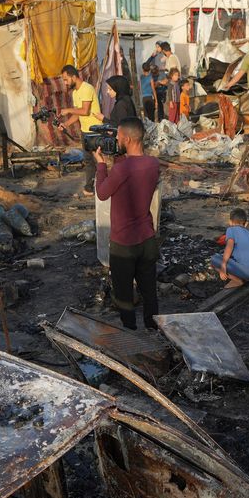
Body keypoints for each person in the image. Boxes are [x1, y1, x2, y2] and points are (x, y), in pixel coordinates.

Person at [93, 117, 160, 330]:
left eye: (119, 137)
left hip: (124, 242)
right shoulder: (153, 164)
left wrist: (102, 165)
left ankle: (130, 333)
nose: (117, 140)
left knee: (123, 294)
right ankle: (153, 329)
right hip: (147, 238)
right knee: (149, 290)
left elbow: (103, 193)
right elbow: (133, 170)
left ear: (128, 139)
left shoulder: (121, 170)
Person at [59, 65, 103, 198]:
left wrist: (68, 110)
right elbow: (79, 114)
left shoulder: (87, 88)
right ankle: (90, 187)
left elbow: (85, 111)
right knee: (89, 160)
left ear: (74, 76)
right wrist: (66, 124)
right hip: (85, 131)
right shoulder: (75, 93)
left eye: (66, 79)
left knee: (98, 159)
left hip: (95, 130)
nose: (65, 83)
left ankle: (100, 186)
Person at [211, 208, 249, 289]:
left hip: (248, 273)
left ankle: (237, 280)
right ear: (246, 224)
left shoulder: (231, 230)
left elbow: (229, 246)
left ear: (230, 222)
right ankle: (242, 276)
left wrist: (223, 265)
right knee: (231, 259)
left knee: (214, 259)